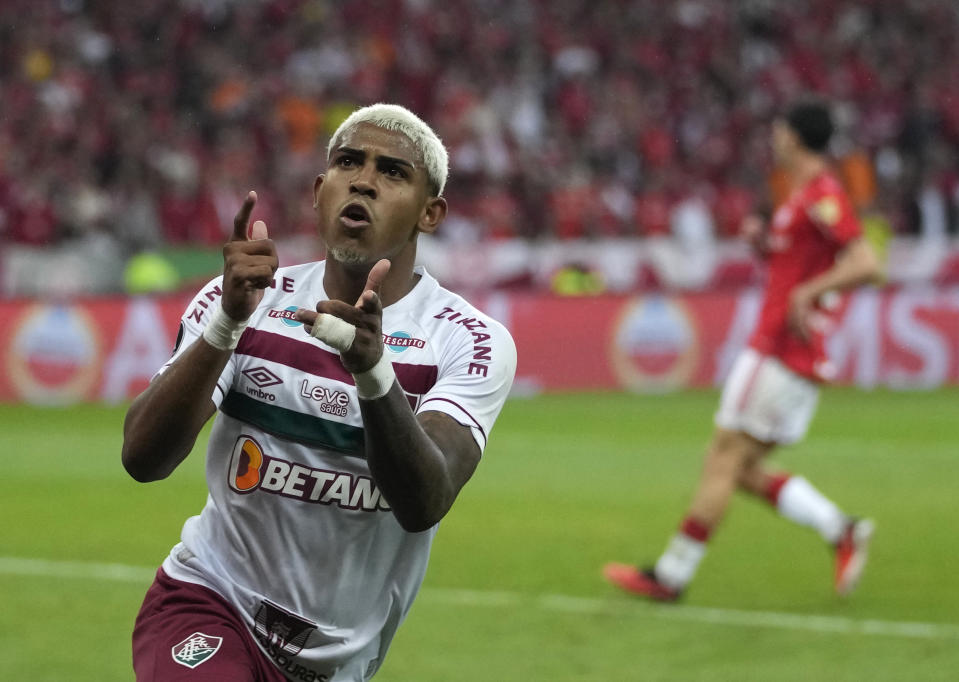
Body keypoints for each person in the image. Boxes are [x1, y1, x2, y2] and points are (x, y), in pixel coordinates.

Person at [122, 103, 517, 681]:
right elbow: (143, 458)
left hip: (339, 661)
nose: (363, 180)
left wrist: (373, 374)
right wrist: (226, 325)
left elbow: (423, 501)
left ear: (430, 213)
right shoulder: (247, 300)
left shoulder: (470, 341)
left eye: (393, 172)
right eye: (348, 163)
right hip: (209, 602)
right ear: (319, 190)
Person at [604, 99, 882, 602]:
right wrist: (766, 246)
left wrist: (807, 293)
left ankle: (671, 575)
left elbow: (865, 261)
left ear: (795, 137)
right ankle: (841, 529)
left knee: (723, 461)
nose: (774, 137)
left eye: (780, 129)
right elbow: (802, 261)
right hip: (786, 351)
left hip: (780, 348)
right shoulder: (797, 195)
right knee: (741, 470)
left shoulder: (822, 193)